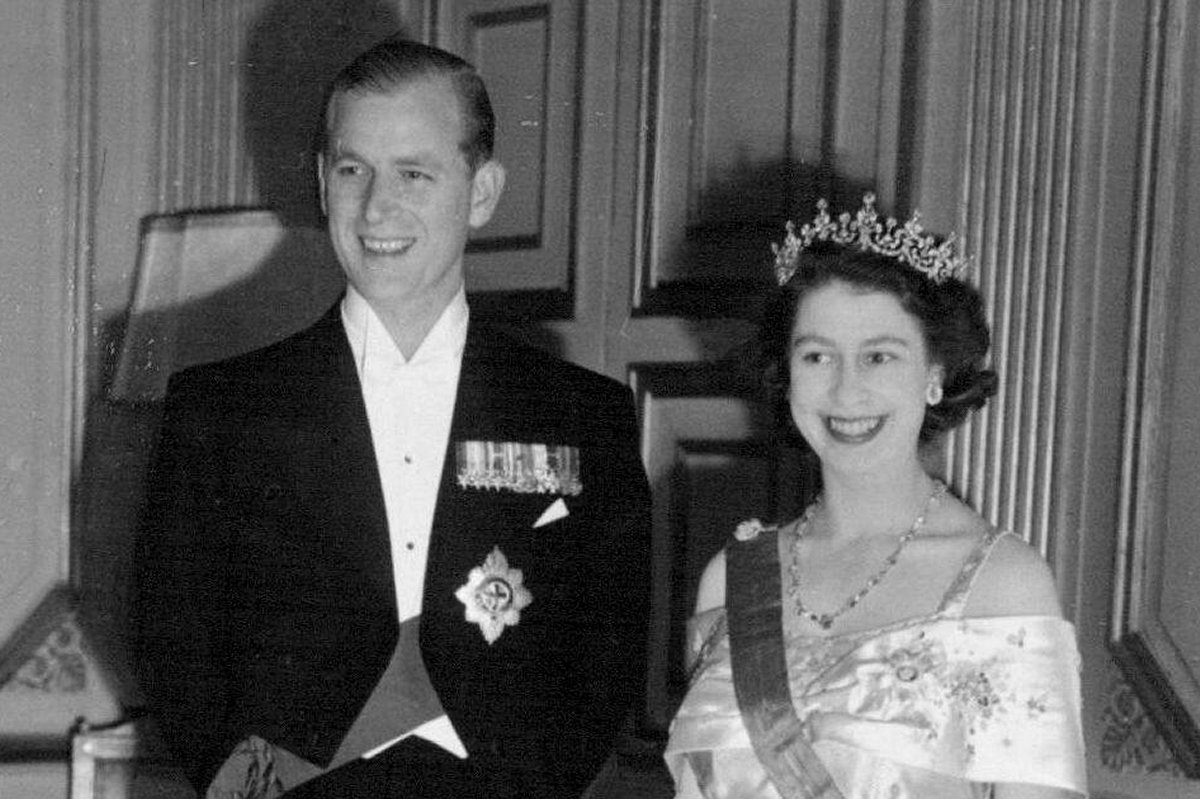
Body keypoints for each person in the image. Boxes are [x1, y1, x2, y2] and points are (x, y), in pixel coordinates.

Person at [133, 35, 651, 798]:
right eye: (353, 170)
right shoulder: (223, 409)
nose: (378, 206)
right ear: (321, 181)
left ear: (480, 191)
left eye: (414, 173)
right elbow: (173, 638)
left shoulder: (582, 414)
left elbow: (608, 648)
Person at [663, 194, 1087, 797]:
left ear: (935, 372)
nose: (846, 389)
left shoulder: (1002, 584)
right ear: (788, 374)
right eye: (817, 355)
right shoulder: (730, 580)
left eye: (879, 356)